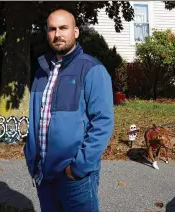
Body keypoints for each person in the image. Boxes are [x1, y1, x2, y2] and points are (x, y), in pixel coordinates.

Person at [24, 9, 114, 212]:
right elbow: (36, 119)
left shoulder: (91, 69)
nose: (58, 34)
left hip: (74, 178)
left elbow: (103, 122)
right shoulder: (41, 72)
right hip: (43, 173)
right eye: (52, 29)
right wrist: (31, 157)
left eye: (64, 28)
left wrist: (78, 168)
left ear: (76, 32)